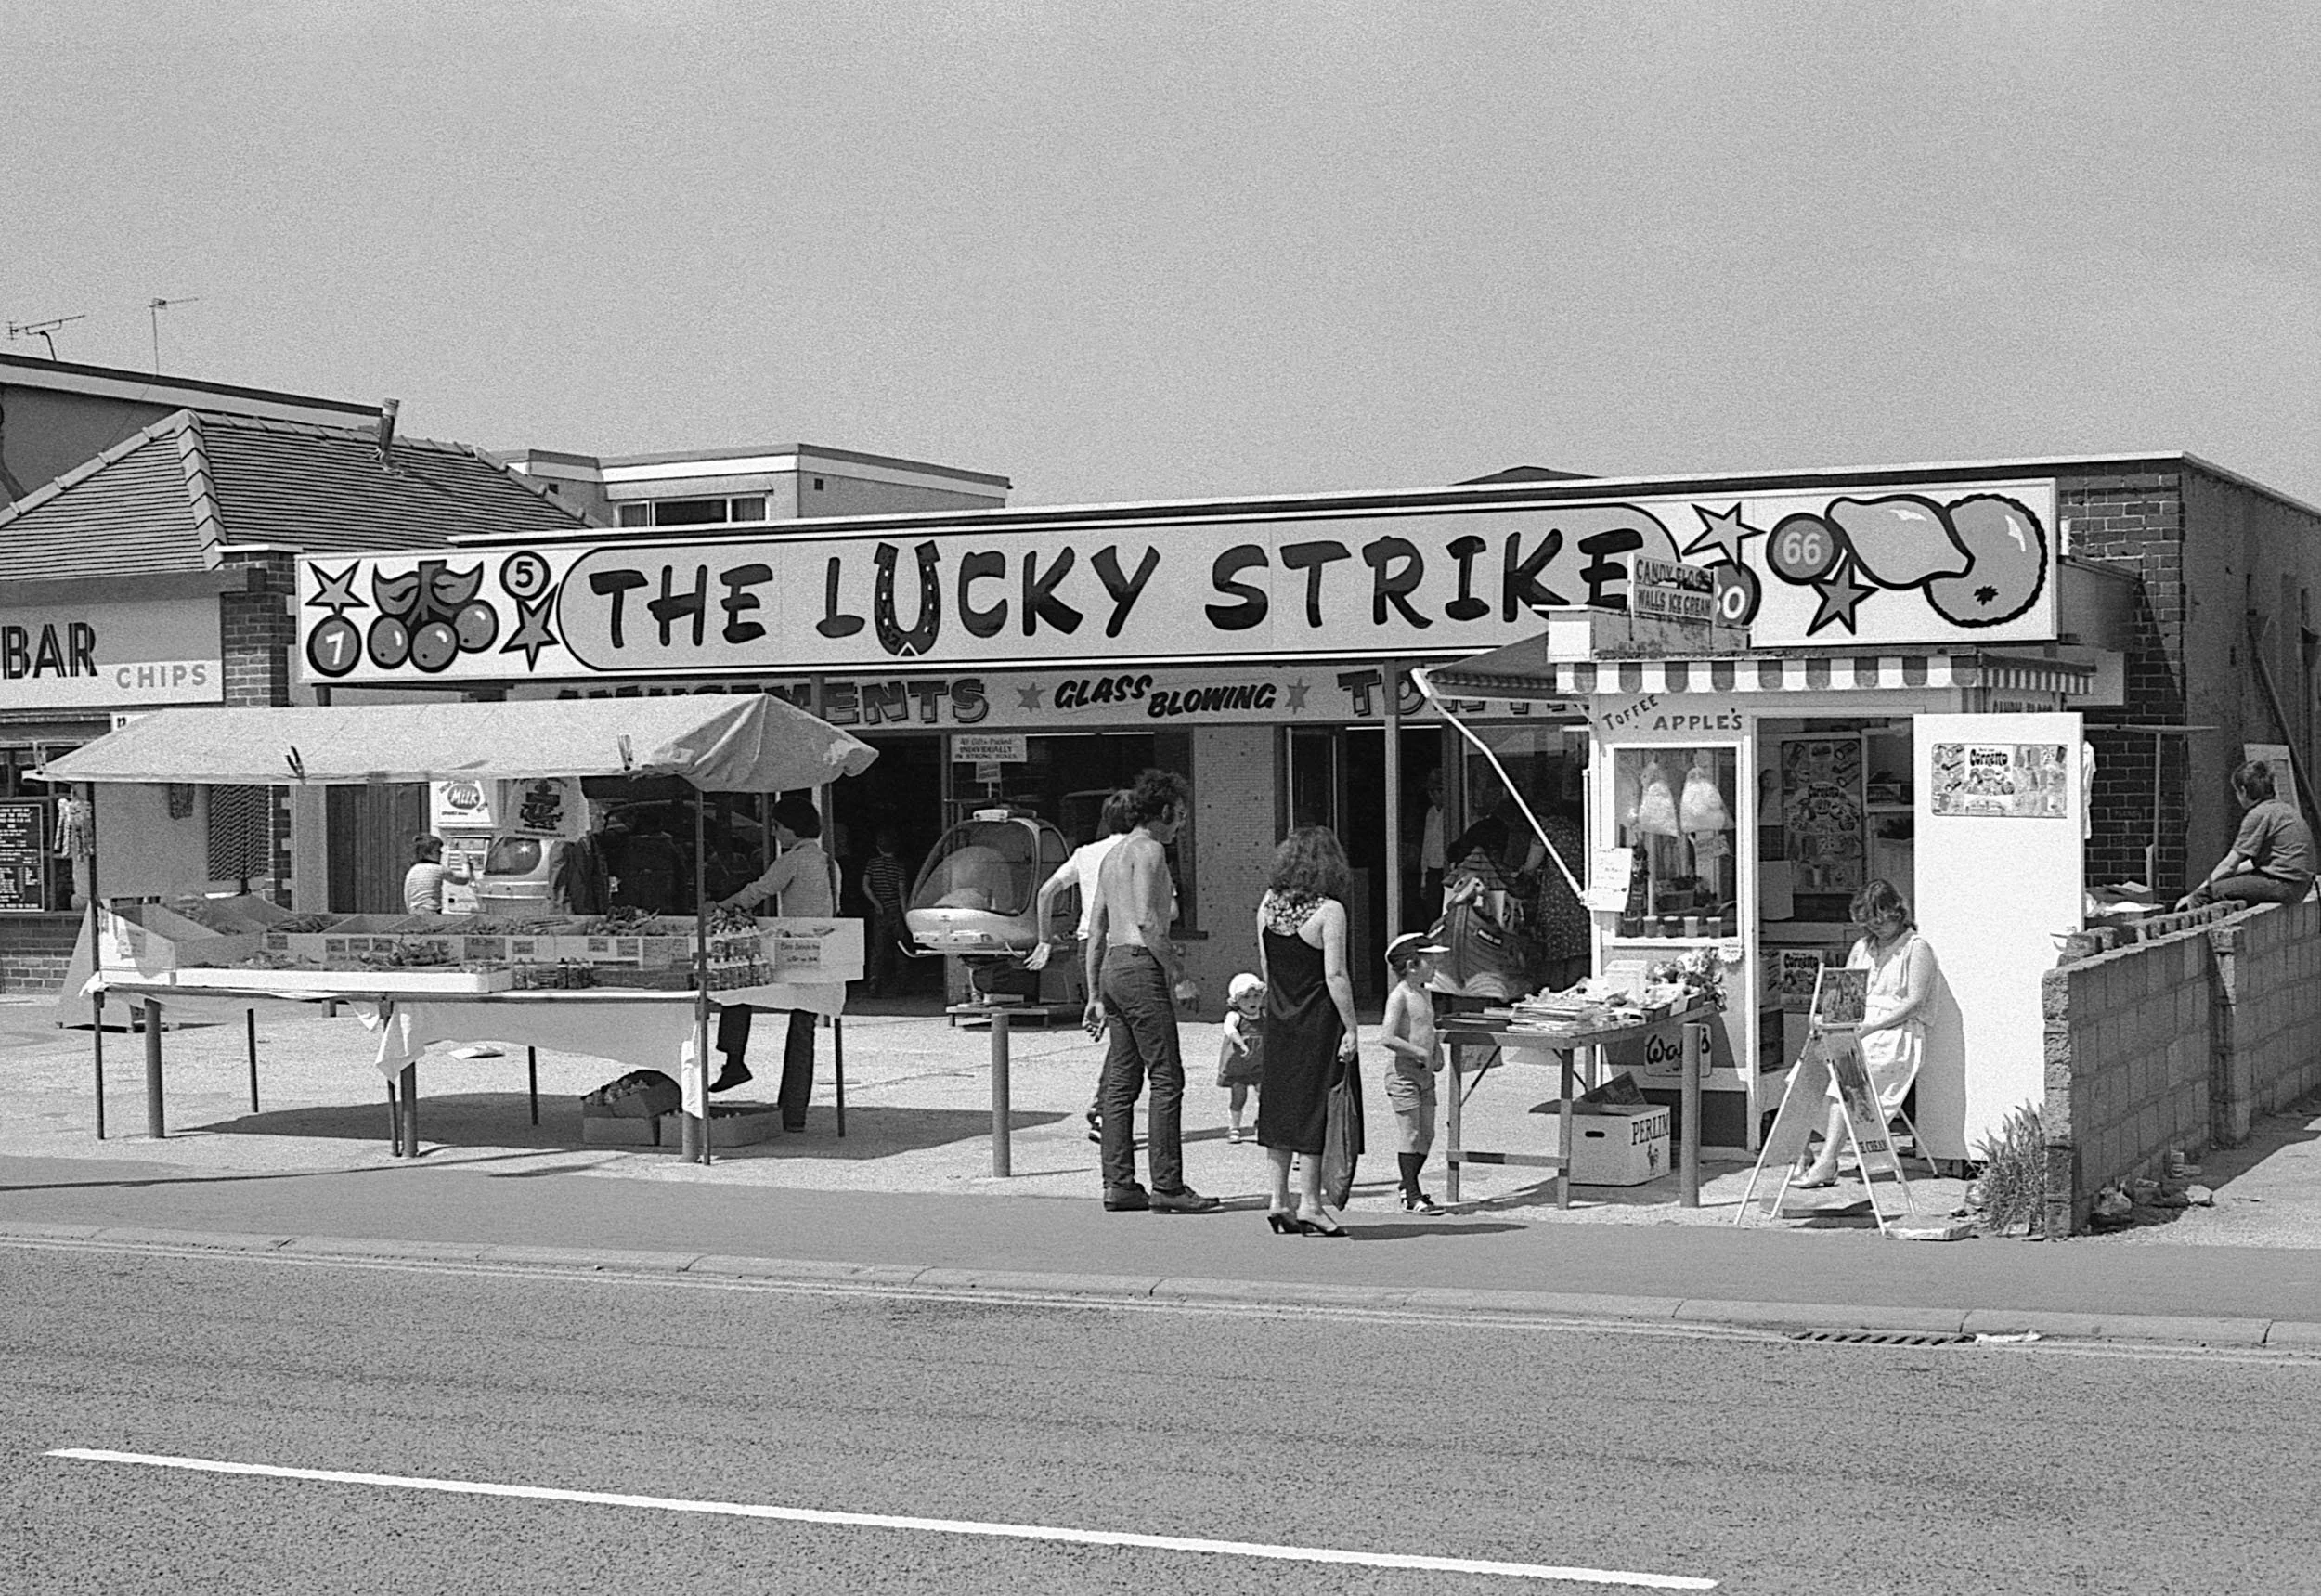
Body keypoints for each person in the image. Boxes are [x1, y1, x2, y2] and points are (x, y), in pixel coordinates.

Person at [1083, 769, 1219, 1214]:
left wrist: (1094, 993)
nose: (1182, 823)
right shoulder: (1151, 850)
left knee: (1121, 1082)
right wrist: (1179, 974)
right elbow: (1147, 920)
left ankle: (1118, 1182)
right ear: (1163, 811)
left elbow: (1097, 930)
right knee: (1166, 1076)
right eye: (1179, 814)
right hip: (1141, 965)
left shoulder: (1112, 855)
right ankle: (1168, 1184)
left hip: (1113, 965)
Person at [1255, 825, 1363, 1237]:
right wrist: (1351, 1026)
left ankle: (1277, 1199)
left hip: (1280, 1017)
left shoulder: (1268, 904)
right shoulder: (1329, 911)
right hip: (1318, 1021)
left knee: (1279, 1107)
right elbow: (1335, 974)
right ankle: (1311, 1204)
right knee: (1317, 1108)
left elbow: (1267, 966)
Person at [1795, 878, 1938, 1187]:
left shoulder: (1916, 948)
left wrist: (1872, 1026)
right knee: (1805, 1071)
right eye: (1870, 923)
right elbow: (1847, 990)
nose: (1877, 928)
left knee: (1849, 1075)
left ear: (1896, 912)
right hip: (1857, 1025)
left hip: (1894, 1030)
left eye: (1881, 920)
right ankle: (1801, 1153)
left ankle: (1828, 1160)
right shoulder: (1863, 947)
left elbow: (1915, 1002)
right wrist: (1826, 1018)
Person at [707, 796, 837, 1127]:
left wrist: (719, 908)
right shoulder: (829, 862)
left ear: (791, 828)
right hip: (823, 951)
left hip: (794, 951)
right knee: (803, 1029)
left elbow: (757, 892)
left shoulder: (792, 860)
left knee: (738, 990)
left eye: (777, 827)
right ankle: (794, 1114)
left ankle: (734, 1060)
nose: (775, 833)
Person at [1030, 790, 1134, 1143]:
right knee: (1128, 1034)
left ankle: (1105, 1107)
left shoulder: (1085, 853)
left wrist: (1044, 939)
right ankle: (1105, 1109)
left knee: (1121, 1031)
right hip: (1123, 944)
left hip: (1087, 944)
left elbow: (1046, 892)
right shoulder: (1139, 852)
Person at [2176, 760, 2315, 909]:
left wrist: (2197, 891)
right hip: (2300, 886)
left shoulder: (2258, 814)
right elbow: (2249, 864)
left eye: (2236, 792)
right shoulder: (2284, 810)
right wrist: (2229, 877)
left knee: (2203, 896)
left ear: (2243, 790)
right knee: (2231, 886)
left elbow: (2230, 864)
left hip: (2281, 885)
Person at [1380, 932, 1448, 1214]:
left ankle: (1407, 1183)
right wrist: (1419, 1053)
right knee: (1411, 1133)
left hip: (1425, 1075)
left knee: (1427, 1134)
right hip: (1404, 1074)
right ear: (1411, 965)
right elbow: (1387, 1037)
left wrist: (1437, 1050)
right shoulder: (1400, 996)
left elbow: (1427, 1028)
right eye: (1429, 962)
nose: (1435, 967)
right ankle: (1412, 1195)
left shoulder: (1425, 992)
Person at [859, 827, 913, 998]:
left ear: (878, 847)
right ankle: (901, 984)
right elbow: (902, 892)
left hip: (879, 910)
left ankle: (874, 982)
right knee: (901, 947)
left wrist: (876, 903)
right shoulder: (899, 866)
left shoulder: (872, 864)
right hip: (895, 908)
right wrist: (906, 914)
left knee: (878, 948)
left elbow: (865, 886)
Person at [1214, 972, 1266, 1145]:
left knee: (1264, 1094)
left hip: (1259, 1062)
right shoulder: (1235, 1016)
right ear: (1236, 1000)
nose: (1252, 1001)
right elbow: (1229, 1029)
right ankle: (1234, 1127)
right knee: (1239, 1096)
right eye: (1246, 998)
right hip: (1239, 1063)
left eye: (1256, 996)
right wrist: (1242, 1044)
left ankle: (1262, 1123)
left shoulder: (1264, 1015)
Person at [402, 834, 470, 915]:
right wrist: (465, 863)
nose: (441, 854)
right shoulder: (438, 869)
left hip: (414, 911)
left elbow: (407, 895)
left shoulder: (413, 870)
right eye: (438, 851)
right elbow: (463, 879)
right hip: (431, 911)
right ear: (426, 853)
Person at [1417, 769, 1446, 926]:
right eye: (1431, 792)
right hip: (1432, 871)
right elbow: (1426, 845)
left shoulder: (1452, 813)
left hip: (1447, 870)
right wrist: (1423, 879)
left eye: (1438, 791)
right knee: (1432, 914)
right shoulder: (1430, 813)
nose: (1433, 795)